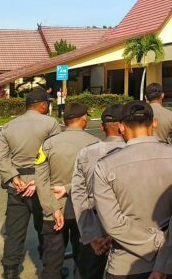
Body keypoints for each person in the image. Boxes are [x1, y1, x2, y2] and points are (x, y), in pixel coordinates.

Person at [94, 100, 172, 278]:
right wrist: (163, 248)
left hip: (126, 263)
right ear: (154, 123)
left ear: (121, 127)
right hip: (171, 261)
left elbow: (113, 224)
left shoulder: (105, 166)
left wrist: (156, 243)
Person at [0, 88, 61, 279]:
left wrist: (15, 179)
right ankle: (49, 269)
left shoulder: (8, 126)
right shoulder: (50, 124)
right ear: (42, 105)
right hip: (41, 185)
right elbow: (53, 155)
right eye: (47, 103)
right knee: (47, 231)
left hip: (17, 187)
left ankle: (10, 271)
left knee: (14, 232)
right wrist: (36, 181)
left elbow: (1, 158)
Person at [35, 103, 100, 279]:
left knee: (52, 263)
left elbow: (40, 180)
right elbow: (96, 182)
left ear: (64, 122)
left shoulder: (48, 144)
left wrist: (52, 208)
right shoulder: (96, 144)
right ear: (84, 120)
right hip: (85, 213)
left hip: (55, 212)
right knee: (85, 263)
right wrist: (69, 188)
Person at [71, 105, 126, 279]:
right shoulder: (135, 152)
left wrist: (92, 236)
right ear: (123, 126)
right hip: (127, 231)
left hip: (95, 227)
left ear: (102, 127)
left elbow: (79, 196)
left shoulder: (86, 153)